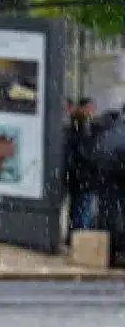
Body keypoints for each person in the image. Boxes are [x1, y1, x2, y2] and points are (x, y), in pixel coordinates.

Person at [64, 98, 99, 237]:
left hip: (77, 177)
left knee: (77, 209)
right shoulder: (83, 129)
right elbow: (84, 154)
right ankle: (78, 240)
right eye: (90, 108)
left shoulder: (77, 127)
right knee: (83, 211)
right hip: (83, 177)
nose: (92, 111)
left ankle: (73, 237)